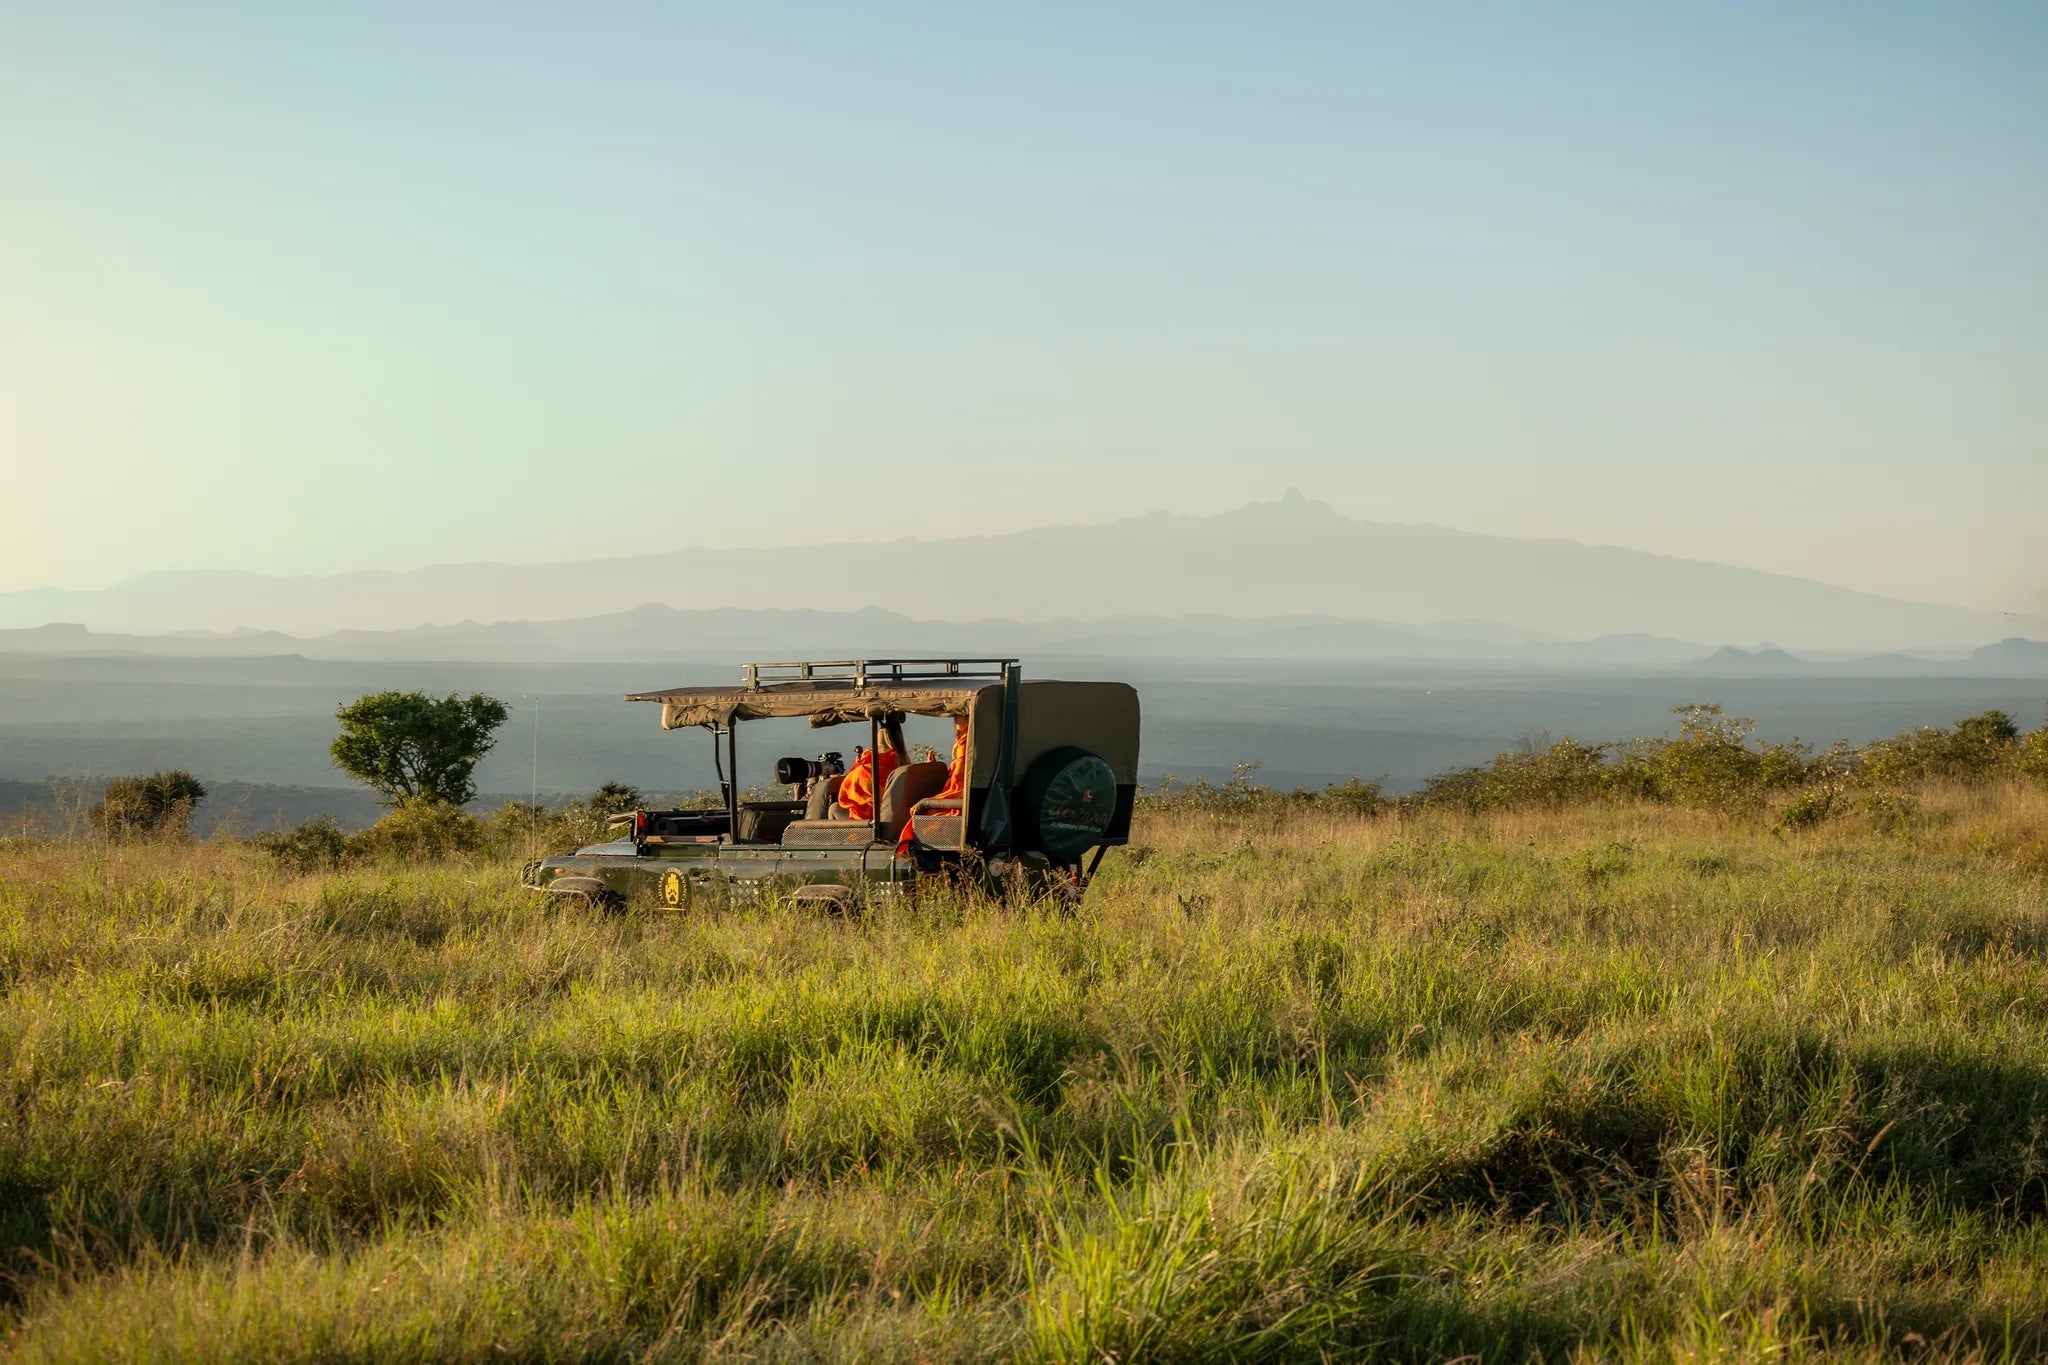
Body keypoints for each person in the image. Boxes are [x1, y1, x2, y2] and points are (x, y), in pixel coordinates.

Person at [898, 716, 970, 854]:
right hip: (960, 793)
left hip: (960, 797)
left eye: (958, 717)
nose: (955, 721)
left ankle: (916, 852)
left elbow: (960, 780)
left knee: (921, 810)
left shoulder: (966, 743)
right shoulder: (968, 741)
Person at [835, 715, 908, 821]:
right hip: (896, 812)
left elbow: (851, 787)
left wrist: (857, 766)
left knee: (834, 809)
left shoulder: (872, 762)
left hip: (871, 815)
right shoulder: (903, 760)